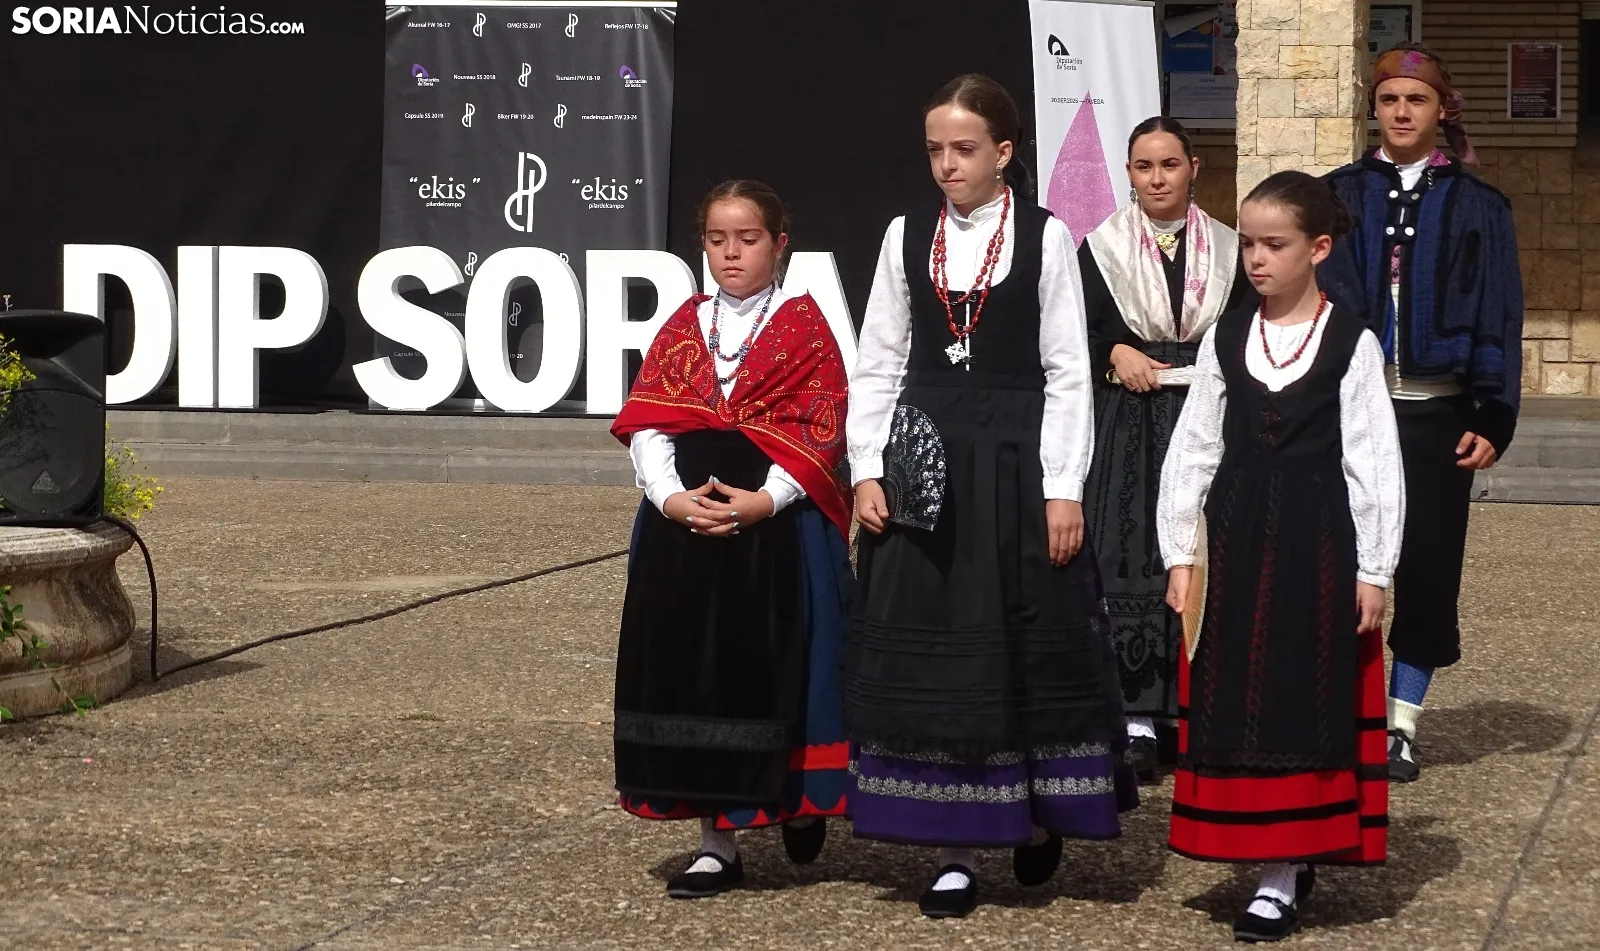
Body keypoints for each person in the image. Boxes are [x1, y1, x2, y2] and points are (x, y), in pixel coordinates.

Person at [843, 73, 1136, 920]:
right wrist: (866, 466)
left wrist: (1063, 487)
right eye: (935, 149)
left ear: (1003, 152)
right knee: (944, 650)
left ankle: (1037, 807)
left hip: (1014, 460)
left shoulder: (1045, 237)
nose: (947, 164)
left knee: (1023, 640)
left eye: (964, 149)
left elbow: (1068, 369)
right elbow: (879, 359)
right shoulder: (906, 236)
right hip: (927, 457)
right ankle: (955, 846)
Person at [1158, 171, 1403, 942]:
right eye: (1250, 245)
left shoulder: (1352, 342)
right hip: (1234, 534)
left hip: (1316, 539)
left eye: (1275, 244)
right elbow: (1194, 447)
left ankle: (1287, 863)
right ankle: (1256, 842)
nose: (1257, 259)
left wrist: (1374, 569)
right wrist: (1180, 553)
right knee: (1235, 689)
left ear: (1318, 248)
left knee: (1303, 689)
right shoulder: (1227, 336)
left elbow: (1373, 461)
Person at [609, 180, 854, 900]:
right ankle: (716, 842)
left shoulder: (805, 327)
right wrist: (669, 497)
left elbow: (822, 425)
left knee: (786, 667)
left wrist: (766, 500)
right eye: (717, 240)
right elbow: (650, 418)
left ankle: (797, 797)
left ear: (780, 244)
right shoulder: (686, 324)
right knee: (694, 677)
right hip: (685, 530)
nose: (731, 253)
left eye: (747, 239)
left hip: (777, 527)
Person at [1319, 43, 1524, 783]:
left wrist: (1494, 415)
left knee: (1428, 569)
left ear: (1442, 111)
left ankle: (1401, 723)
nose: (1402, 111)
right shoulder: (1336, 196)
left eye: (1417, 99)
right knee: (1343, 565)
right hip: (1350, 415)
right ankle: (1342, 715)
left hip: (1438, 418)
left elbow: (1501, 312)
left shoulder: (1481, 207)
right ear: (1373, 108)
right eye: (1390, 99)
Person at [1080, 115, 1256, 782]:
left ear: (1193, 169)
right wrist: (1112, 351)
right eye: (1144, 166)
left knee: (1203, 551)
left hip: (1206, 415)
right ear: (1129, 173)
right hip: (1128, 421)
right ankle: (1134, 719)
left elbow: (1248, 330)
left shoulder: (1231, 250)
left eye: (1169, 164)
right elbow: (1070, 331)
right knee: (1126, 554)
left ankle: (1195, 712)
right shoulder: (1100, 249)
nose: (1157, 178)